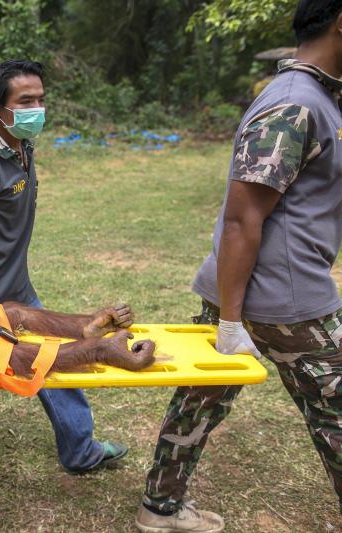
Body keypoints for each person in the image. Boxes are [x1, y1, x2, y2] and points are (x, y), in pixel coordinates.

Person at [135, 2, 342, 531]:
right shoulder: (294, 104)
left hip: (253, 289)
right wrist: (230, 322)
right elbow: (241, 218)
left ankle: (159, 509)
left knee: (202, 399)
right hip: (286, 301)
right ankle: (159, 507)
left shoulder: (319, 97)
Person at [0, 59, 128, 492]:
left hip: (20, 290)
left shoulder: (22, 145)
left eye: (41, 99)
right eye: (26, 101)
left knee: (59, 357)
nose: (38, 108)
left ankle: (81, 450)